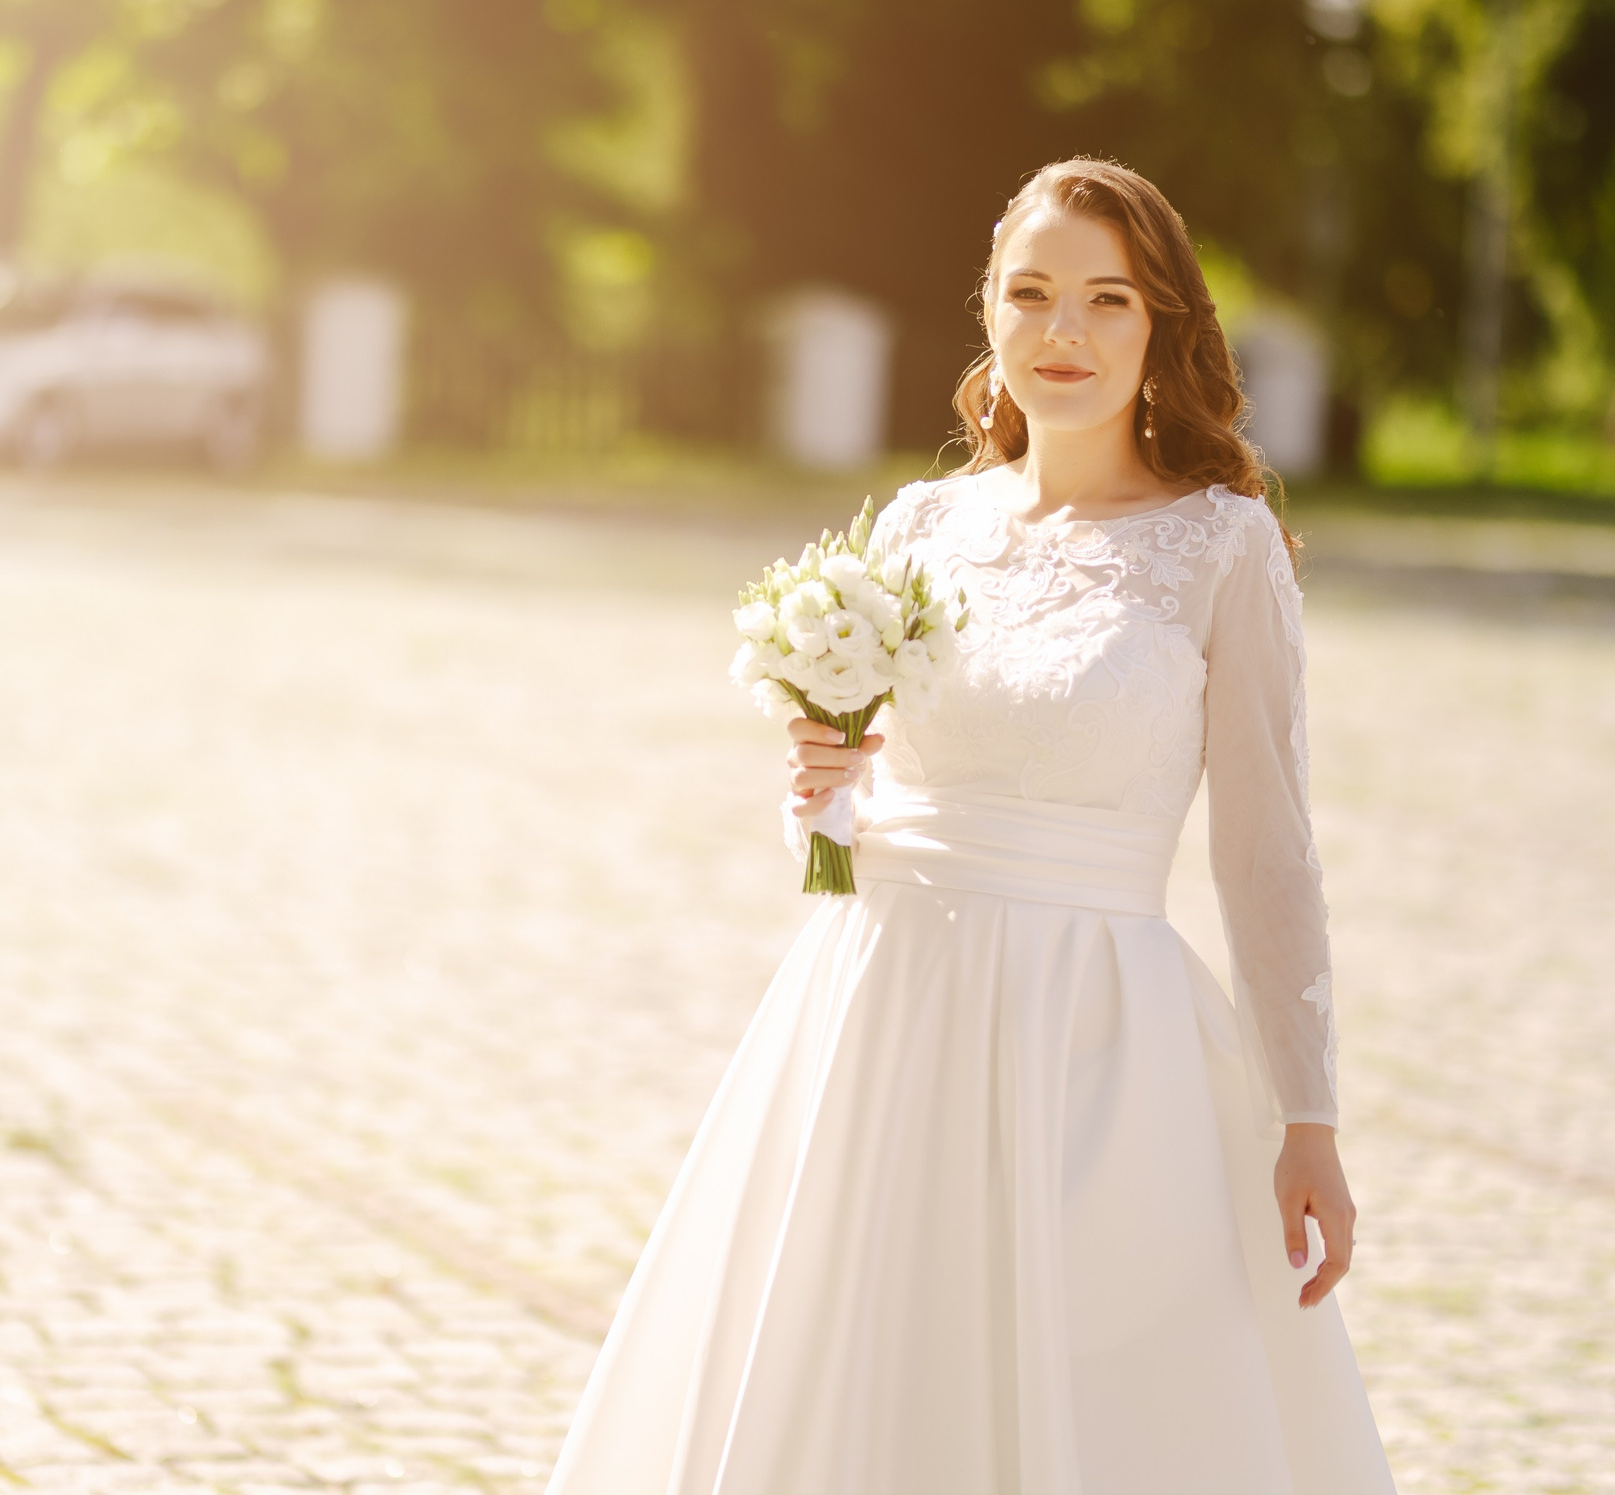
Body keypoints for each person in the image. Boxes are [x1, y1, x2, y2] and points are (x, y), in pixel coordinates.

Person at [546, 159, 1395, 1494]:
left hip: (1096, 1032)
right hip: (884, 1007)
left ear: (1162, 327)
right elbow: (852, 820)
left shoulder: (1222, 547)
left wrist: (1310, 1119)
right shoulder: (921, 523)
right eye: (1032, 293)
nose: (1065, 332)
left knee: (1091, 1399)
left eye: (1109, 300)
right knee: (862, 1380)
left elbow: (1265, 853)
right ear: (989, 311)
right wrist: (821, 790)